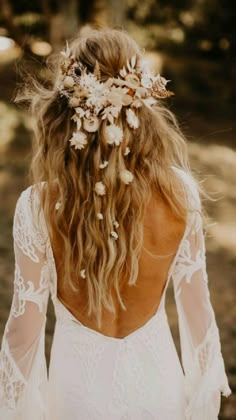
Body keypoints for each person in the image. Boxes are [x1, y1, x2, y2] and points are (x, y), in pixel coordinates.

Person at [0, 28, 231, 420]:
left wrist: (11, 405)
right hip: (159, 390)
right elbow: (199, 314)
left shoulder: (38, 207)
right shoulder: (179, 195)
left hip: (76, 397)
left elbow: (25, 330)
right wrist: (203, 395)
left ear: (67, 111)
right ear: (141, 104)